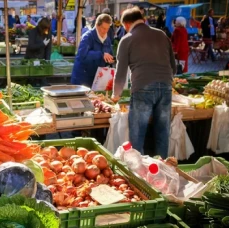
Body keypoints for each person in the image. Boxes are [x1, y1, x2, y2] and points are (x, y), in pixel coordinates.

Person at [112, 6, 176, 158]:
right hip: (166, 86)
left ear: (127, 24)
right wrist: (166, 81)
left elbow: (121, 72)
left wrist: (116, 95)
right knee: (162, 132)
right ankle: (163, 170)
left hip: (143, 87)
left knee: (138, 133)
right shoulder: (161, 34)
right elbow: (173, 66)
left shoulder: (127, 39)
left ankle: (138, 173)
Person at [70, 14, 114, 87]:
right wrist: (101, 55)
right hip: (82, 79)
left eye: (107, 28)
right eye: (103, 28)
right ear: (97, 25)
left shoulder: (107, 40)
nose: (105, 31)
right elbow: (82, 56)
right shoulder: (87, 37)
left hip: (97, 78)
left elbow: (109, 54)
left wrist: (111, 60)